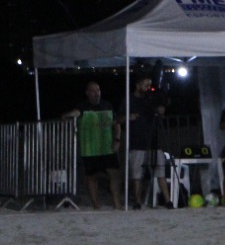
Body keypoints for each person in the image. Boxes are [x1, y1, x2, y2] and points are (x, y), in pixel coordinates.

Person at [64, 81, 123, 210]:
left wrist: (117, 139)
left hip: (107, 148)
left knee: (114, 175)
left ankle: (117, 203)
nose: (96, 93)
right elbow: (70, 115)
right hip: (90, 149)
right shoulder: (82, 106)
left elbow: (116, 123)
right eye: (93, 91)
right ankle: (96, 205)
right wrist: (69, 115)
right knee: (91, 177)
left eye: (98, 90)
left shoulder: (107, 105)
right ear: (87, 93)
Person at [124, 75, 171, 208]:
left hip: (154, 141)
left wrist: (161, 111)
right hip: (138, 142)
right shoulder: (130, 100)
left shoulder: (151, 100)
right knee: (137, 173)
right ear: (138, 85)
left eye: (149, 85)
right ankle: (137, 201)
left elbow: (160, 114)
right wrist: (129, 117)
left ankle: (168, 201)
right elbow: (119, 119)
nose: (148, 88)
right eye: (145, 85)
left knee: (160, 170)